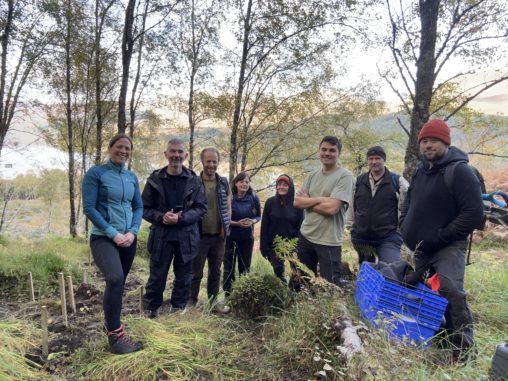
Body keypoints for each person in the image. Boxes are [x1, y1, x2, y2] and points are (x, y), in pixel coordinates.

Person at [400, 119, 484, 361]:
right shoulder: (420, 170)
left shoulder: (460, 171)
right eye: (424, 141)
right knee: (427, 291)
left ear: (445, 142)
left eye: (433, 140)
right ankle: (438, 336)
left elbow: (473, 214)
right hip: (422, 248)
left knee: (450, 290)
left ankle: (464, 350)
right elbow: (410, 201)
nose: (428, 145)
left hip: (448, 246)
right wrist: (404, 224)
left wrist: (442, 235)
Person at [82, 133, 143, 354]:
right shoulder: (96, 174)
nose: (123, 151)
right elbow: (89, 208)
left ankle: (114, 328)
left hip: (128, 240)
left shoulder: (131, 177)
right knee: (115, 277)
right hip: (103, 238)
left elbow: (138, 206)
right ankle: (115, 338)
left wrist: (133, 232)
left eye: (127, 148)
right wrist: (112, 233)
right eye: (119, 147)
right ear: (110, 148)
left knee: (118, 285)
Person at [142, 138, 207, 317]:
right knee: (157, 277)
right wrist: (161, 217)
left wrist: (181, 218)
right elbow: (144, 208)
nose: (176, 155)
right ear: (166, 154)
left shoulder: (194, 180)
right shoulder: (154, 179)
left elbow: (201, 208)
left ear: (185, 155)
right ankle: (151, 310)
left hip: (186, 238)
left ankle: (178, 309)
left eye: (180, 152)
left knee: (184, 277)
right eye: (172, 151)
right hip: (161, 237)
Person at [293, 136, 353, 287]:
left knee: (330, 286)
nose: (327, 153)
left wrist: (309, 200)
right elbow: (297, 201)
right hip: (306, 236)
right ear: (319, 151)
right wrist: (323, 200)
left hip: (329, 240)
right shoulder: (312, 175)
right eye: (324, 149)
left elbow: (332, 209)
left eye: (332, 150)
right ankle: (308, 309)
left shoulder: (345, 176)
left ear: (338, 153)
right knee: (304, 282)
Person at [349, 146, 409, 264]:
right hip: (363, 238)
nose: (374, 162)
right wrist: (352, 228)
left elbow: (405, 208)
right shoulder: (359, 181)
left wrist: (400, 230)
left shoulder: (397, 182)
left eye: (378, 158)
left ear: (384, 160)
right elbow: (351, 206)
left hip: (388, 237)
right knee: (367, 272)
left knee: (390, 270)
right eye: (371, 159)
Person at [189, 148, 231, 313]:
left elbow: (228, 207)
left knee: (215, 271)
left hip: (219, 237)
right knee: (195, 271)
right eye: (208, 161)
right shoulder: (194, 182)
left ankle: (213, 303)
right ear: (202, 162)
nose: (211, 165)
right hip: (199, 236)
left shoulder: (223, 183)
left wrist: (226, 227)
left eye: (214, 161)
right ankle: (191, 302)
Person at [260, 174, 304, 283]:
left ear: (290, 187)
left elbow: (301, 226)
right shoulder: (270, 202)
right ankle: (282, 292)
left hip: (292, 244)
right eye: (279, 184)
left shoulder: (297, 203)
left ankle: (295, 293)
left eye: (285, 185)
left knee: (296, 272)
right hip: (275, 245)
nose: (281, 187)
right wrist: (263, 246)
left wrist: (299, 246)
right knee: (278, 273)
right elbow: (264, 226)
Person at [223, 171, 261, 296]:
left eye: (247, 182)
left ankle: (243, 295)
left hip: (247, 239)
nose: (244, 184)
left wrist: (252, 221)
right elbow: (224, 218)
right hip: (230, 238)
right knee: (229, 269)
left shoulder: (253, 197)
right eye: (241, 181)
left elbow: (258, 216)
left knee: (245, 268)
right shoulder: (230, 197)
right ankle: (228, 295)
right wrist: (236, 223)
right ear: (236, 183)